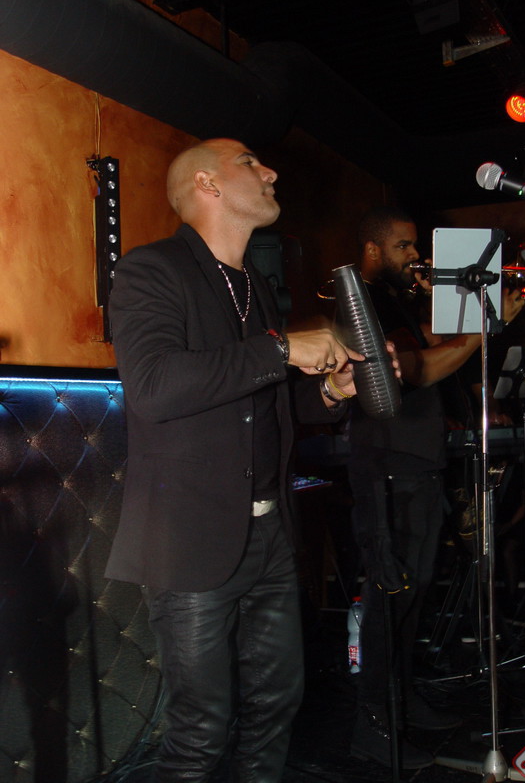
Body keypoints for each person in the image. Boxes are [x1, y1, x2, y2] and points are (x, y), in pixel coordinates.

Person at [104, 138, 371, 783]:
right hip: (190, 536)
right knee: (200, 735)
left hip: (270, 532)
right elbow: (155, 387)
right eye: (250, 161)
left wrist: (330, 392)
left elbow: (258, 404)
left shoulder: (254, 285)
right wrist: (281, 350)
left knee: (276, 708)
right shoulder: (151, 269)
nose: (270, 170)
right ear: (207, 183)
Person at [347, 205, 524, 769]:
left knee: (414, 593)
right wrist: (483, 332)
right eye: (403, 246)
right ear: (373, 250)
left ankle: (400, 701)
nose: (415, 256)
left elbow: (433, 338)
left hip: (414, 462)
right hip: (388, 464)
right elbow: (418, 368)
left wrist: (468, 311)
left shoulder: (395, 299)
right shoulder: (363, 300)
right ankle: (371, 722)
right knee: (390, 597)